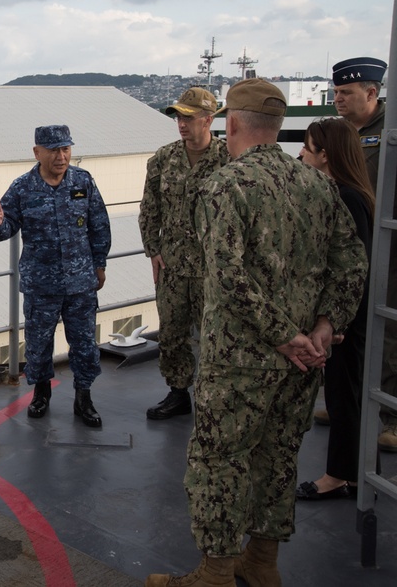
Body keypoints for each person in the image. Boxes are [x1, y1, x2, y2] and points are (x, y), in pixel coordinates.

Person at [145, 80, 368, 587]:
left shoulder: (226, 185)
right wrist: (322, 328)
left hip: (242, 361)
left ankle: (217, 573)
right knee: (278, 456)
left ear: (233, 123)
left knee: (220, 460)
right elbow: (352, 264)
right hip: (304, 362)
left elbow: (226, 276)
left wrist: (283, 335)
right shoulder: (317, 183)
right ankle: (262, 563)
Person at [0, 125, 112, 425]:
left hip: (80, 281)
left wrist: (100, 263)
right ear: (37, 152)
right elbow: (5, 229)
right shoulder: (22, 187)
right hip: (41, 284)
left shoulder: (83, 181)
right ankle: (41, 393)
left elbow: (99, 224)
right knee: (39, 343)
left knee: (83, 343)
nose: (61, 156)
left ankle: (84, 398)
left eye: (66, 149)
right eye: (54, 150)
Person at [295, 118, 375, 501]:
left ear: (325, 156)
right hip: (349, 313)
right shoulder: (349, 194)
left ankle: (339, 476)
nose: (301, 154)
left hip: (348, 316)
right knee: (348, 394)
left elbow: (354, 265)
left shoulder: (345, 198)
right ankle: (354, 474)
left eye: (308, 148)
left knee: (346, 396)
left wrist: (336, 320)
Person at [139, 87, 229, 420]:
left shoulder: (230, 159)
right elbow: (150, 209)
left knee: (214, 335)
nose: (181, 124)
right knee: (172, 333)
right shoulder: (163, 159)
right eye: (178, 117)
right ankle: (178, 393)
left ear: (208, 120)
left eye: (188, 118)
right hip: (174, 266)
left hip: (213, 269)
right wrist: (154, 250)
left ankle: (213, 398)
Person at [332, 56, 397, 452]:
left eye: (346, 93)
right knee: (346, 324)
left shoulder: (390, 131)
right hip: (346, 245)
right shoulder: (339, 132)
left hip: (385, 246)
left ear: (371, 93)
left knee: (387, 332)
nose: (337, 99)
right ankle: (346, 403)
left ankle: (391, 417)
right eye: (336, 92)